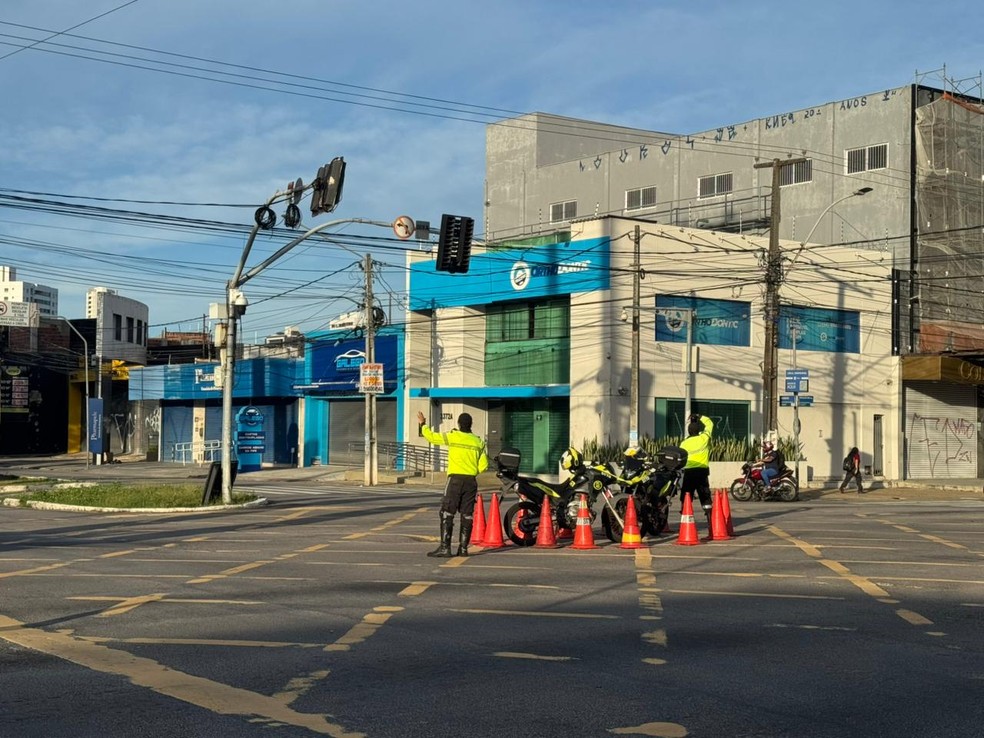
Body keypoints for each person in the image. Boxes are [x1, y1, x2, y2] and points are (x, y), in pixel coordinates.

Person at [417, 410, 489, 557]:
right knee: (467, 515)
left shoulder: (453, 436)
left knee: (446, 512)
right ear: (471, 425)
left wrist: (423, 424)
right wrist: (472, 471)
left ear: (458, 424)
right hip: (470, 481)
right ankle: (463, 549)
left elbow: (432, 437)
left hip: (455, 479)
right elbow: (484, 465)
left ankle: (445, 548)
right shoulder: (478, 441)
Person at [679, 413, 714, 526]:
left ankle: (685, 518)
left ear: (689, 431)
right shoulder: (703, 438)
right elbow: (709, 424)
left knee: (686, 495)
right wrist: (700, 416)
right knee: (705, 495)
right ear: (699, 431)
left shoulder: (684, 443)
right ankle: (709, 517)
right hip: (702, 472)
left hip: (689, 472)